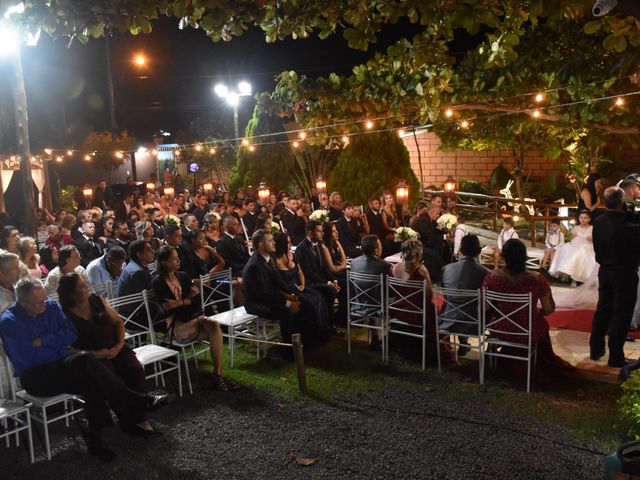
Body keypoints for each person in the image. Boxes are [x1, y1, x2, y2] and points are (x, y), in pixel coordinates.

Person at [0, 277, 166, 462]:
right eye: (38, 303)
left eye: (45, 299)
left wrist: (45, 341)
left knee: (90, 377)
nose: (44, 305)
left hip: (65, 365)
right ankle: (133, 400)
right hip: (36, 376)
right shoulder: (10, 321)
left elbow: (71, 335)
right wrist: (59, 346)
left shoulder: (52, 307)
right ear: (22, 301)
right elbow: (28, 357)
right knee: (85, 362)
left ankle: (96, 440)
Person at [57, 273, 159, 434]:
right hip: (92, 357)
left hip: (115, 347)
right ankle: (126, 420)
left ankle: (141, 417)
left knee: (135, 369)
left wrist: (119, 345)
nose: (87, 288)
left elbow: (118, 322)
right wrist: (95, 354)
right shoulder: (64, 315)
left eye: (86, 284)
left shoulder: (96, 300)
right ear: (71, 293)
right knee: (111, 380)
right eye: (82, 286)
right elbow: (66, 347)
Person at [483, 239, 575, 378]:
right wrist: (538, 313)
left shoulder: (493, 277)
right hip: (529, 331)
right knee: (542, 324)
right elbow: (549, 309)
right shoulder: (537, 279)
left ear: (504, 256)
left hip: (501, 329)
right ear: (524, 257)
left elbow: (485, 306)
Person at [152, 245, 237, 391]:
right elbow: (167, 307)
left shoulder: (183, 276)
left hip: (192, 316)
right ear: (165, 262)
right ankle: (218, 377)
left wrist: (181, 301)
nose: (178, 260)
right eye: (174, 258)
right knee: (215, 333)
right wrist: (188, 298)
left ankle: (218, 374)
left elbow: (197, 299)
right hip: (176, 323)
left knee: (214, 326)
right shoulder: (158, 282)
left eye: (178, 257)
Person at [590, 187, 640, 368]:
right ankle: (616, 356)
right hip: (624, 273)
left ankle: (595, 349)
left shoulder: (599, 221)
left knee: (603, 310)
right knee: (621, 313)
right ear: (621, 202)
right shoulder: (629, 225)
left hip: (605, 270)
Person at [243, 229, 301, 343]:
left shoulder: (269, 258)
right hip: (256, 304)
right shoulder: (254, 266)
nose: (274, 243)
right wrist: (288, 303)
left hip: (270, 297)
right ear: (261, 245)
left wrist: (291, 295)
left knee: (302, 301)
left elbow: (278, 281)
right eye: (270, 241)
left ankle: (304, 339)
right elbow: (265, 294)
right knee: (287, 311)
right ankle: (289, 346)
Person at [274, 232, 329, 344]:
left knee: (318, 296)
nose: (290, 245)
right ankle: (309, 335)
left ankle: (322, 330)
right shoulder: (274, 261)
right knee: (309, 302)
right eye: (288, 243)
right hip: (287, 290)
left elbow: (300, 273)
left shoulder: (291, 255)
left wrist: (303, 285)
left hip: (298, 287)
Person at [440, 235, 490, 356]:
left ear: (461, 250)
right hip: (473, 323)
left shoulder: (446, 269)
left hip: (447, 318)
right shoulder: (485, 273)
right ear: (478, 251)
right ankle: (465, 344)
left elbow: (446, 296)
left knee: (458, 302)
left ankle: (462, 344)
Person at [548, 210, 595, 286]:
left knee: (581, 254)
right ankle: (573, 279)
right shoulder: (576, 227)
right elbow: (571, 238)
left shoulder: (592, 228)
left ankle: (581, 278)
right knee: (569, 253)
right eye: (581, 218)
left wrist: (590, 238)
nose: (583, 219)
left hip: (587, 246)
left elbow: (594, 239)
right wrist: (573, 236)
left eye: (585, 218)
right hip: (575, 245)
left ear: (589, 219)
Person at [412, 200, 446, 282]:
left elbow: (437, 231)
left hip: (423, 244)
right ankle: (440, 276)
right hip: (415, 246)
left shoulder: (430, 219)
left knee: (438, 248)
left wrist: (445, 233)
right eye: (437, 214)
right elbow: (430, 236)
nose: (438, 216)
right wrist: (444, 237)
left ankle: (438, 274)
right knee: (434, 254)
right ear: (432, 211)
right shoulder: (423, 219)